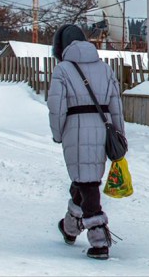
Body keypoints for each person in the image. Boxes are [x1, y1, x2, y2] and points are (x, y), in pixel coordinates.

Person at [47, 24, 125, 260]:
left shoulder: (63, 70)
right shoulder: (105, 69)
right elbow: (116, 105)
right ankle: (70, 227)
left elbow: (56, 107)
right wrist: (119, 135)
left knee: (87, 183)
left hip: (75, 128)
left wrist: (58, 134)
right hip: (102, 129)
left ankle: (99, 239)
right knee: (85, 180)